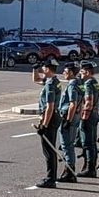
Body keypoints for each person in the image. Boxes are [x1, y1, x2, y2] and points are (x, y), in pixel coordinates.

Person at [33, 58, 62, 188]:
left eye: (43, 67)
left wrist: (44, 125)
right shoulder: (53, 81)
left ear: (48, 69)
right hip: (53, 117)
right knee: (50, 149)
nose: (42, 69)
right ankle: (52, 177)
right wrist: (35, 69)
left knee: (48, 150)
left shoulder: (50, 85)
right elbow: (36, 80)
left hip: (49, 118)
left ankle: (51, 179)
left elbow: (50, 106)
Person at [57, 63, 80, 183]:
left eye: (65, 71)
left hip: (69, 116)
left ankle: (69, 171)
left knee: (67, 145)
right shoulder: (78, 84)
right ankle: (69, 169)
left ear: (71, 72)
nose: (63, 74)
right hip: (75, 116)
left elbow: (73, 104)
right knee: (69, 144)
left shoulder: (72, 85)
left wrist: (68, 120)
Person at [77, 62, 99, 177]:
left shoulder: (88, 84)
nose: (80, 74)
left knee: (87, 143)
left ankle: (90, 168)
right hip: (95, 114)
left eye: (81, 72)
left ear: (86, 72)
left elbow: (88, 101)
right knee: (92, 142)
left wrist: (84, 117)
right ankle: (90, 167)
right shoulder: (95, 82)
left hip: (89, 115)